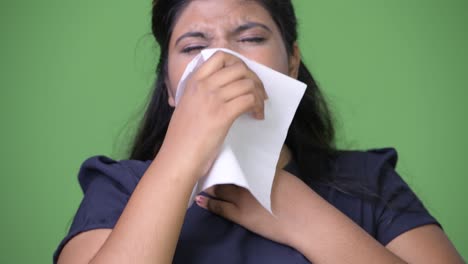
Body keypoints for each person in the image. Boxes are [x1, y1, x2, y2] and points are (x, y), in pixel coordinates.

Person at [54, 0, 464, 263]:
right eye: (194, 47)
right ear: (169, 86)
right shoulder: (117, 189)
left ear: (291, 63)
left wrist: (298, 212)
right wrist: (180, 158)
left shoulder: (369, 181)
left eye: (250, 37)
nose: (224, 59)